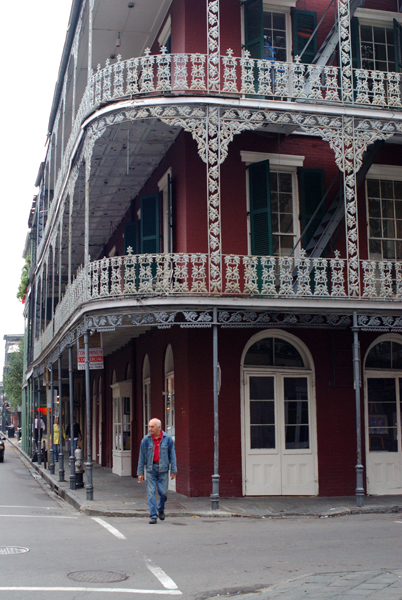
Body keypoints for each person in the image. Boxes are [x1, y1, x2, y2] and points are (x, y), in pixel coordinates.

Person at [137, 418, 177, 524]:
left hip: (163, 469)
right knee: (151, 493)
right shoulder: (145, 440)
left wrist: (173, 470)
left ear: (159, 427)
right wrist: (140, 472)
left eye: (152, 427)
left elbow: (172, 455)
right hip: (151, 469)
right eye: (149, 427)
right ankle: (153, 516)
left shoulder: (167, 439)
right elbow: (141, 456)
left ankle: (161, 508)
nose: (150, 429)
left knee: (163, 493)